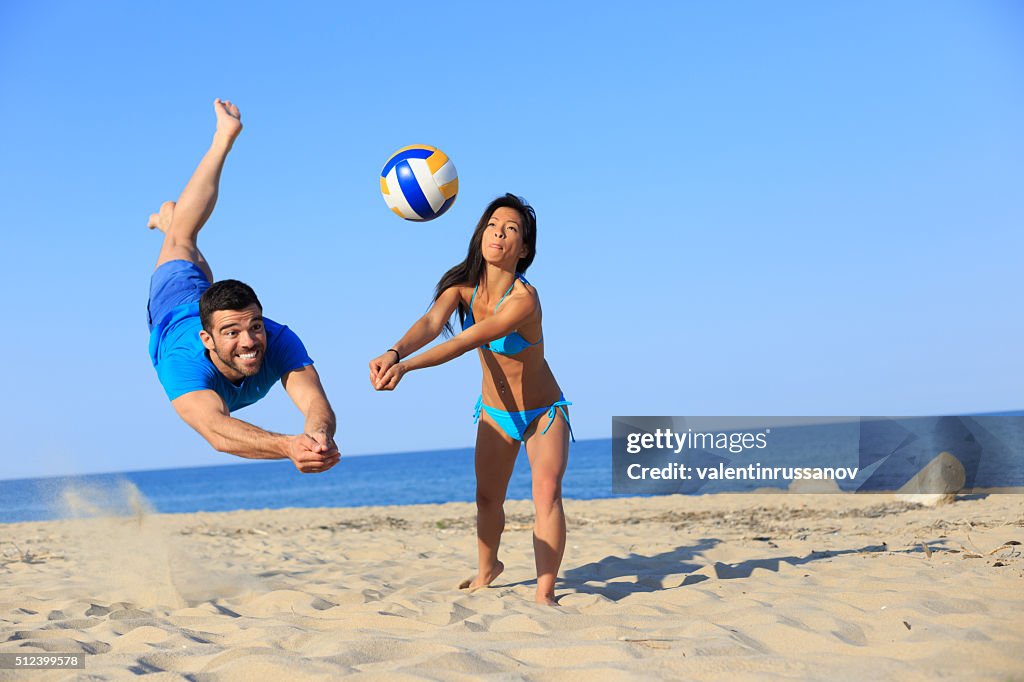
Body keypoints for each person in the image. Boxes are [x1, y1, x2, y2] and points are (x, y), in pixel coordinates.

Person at [369, 194, 572, 605]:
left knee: (546, 493)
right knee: (487, 499)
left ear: (525, 249)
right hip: (495, 413)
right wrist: (394, 352)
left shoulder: (523, 299)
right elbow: (431, 323)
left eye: (511, 228)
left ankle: (545, 590)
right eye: (493, 224)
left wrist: (406, 369)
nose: (499, 232)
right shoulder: (462, 287)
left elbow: (465, 341)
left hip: (542, 413)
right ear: (481, 234)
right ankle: (488, 568)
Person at [147, 99, 339, 474]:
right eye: (232, 333)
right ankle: (223, 139)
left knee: (187, 238)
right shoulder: (182, 361)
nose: (250, 340)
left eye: (254, 326)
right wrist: (287, 446)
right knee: (183, 241)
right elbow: (217, 431)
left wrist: (318, 437)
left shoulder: (278, 339)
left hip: (208, 302)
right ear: (208, 340)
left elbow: (315, 402)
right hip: (175, 300)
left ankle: (171, 221)